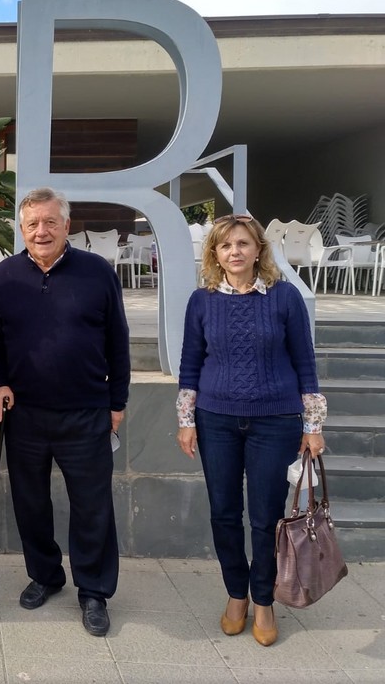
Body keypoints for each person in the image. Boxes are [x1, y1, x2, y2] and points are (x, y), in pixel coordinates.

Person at [0, 187, 130, 637]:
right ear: (21, 229)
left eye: (50, 222)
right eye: (32, 224)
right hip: (24, 413)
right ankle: (45, 575)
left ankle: (94, 591)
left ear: (68, 226)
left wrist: (117, 401)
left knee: (92, 506)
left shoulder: (97, 271)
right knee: (30, 503)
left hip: (86, 411)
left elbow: (118, 340)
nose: (41, 231)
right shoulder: (5, 275)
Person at [176, 213, 327, 647]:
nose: (235, 252)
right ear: (215, 254)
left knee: (265, 519)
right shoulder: (201, 301)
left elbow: (305, 362)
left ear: (259, 249)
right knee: (224, 513)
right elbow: (190, 364)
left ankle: (263, 600)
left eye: (243, 244)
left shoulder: (284, 298)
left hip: (275, 422)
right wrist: (186, 421)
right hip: (216, 419)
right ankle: (235, 595)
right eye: (225, 246)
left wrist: (312, 426)